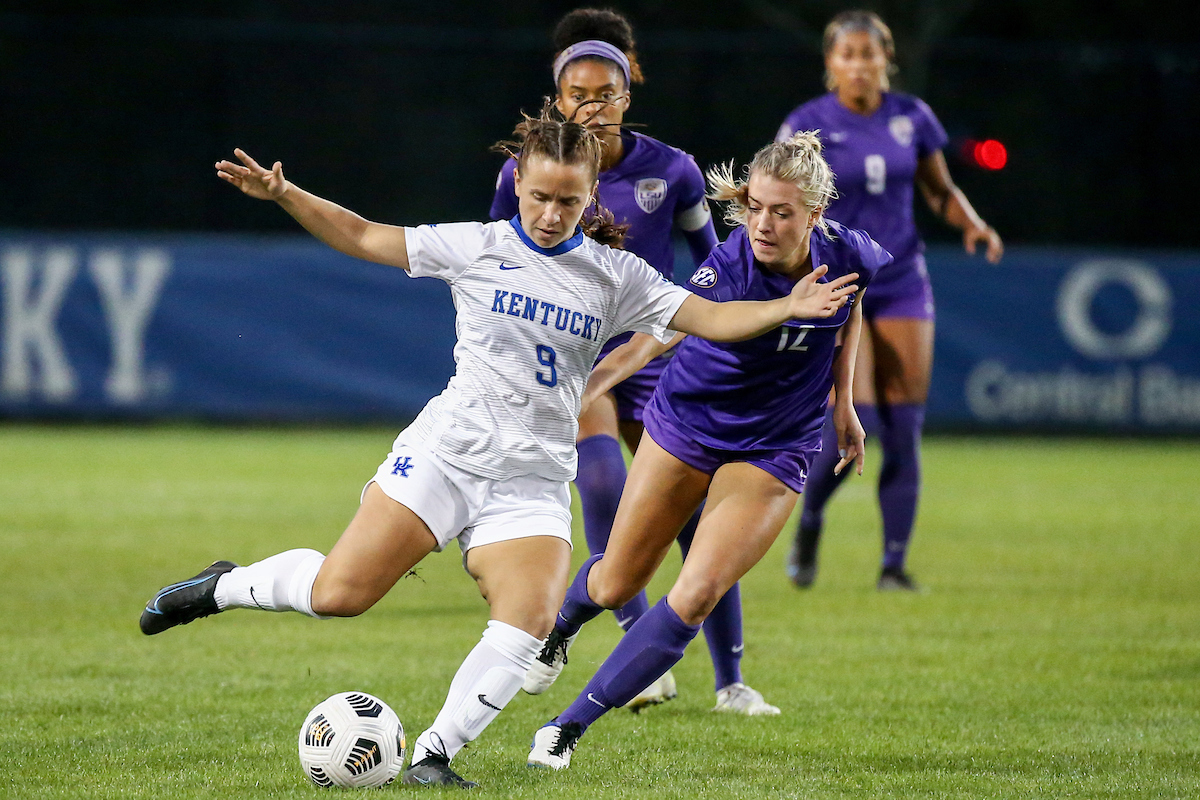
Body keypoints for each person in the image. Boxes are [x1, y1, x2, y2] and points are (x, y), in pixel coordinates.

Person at [138, 111, 860, 789]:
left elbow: (712, 317)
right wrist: (284, 192)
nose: (551, 214)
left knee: (529, 622)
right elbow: (364, 236)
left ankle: (432, 758)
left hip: (533, 478)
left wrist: (787, 307)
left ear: (589, 197)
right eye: (540, 196)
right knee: (340, 596)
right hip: (448, 454)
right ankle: (224, 584)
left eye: (569, 202)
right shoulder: (476, 246)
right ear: (518, 183)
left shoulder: (616, 277)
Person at [524, 133, 890, 770]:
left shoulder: (849, 253)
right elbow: (652, 339)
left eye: (782, 212)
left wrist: (844, 402)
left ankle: (565, 728)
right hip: (688, 424)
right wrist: (589, 385)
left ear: (815, 216)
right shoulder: (727, 267)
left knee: (695, 595)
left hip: (777, 444)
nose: (764, 223)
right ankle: (560, 628)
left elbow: (851, 306)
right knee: (616, 582)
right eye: (756, 207)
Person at [491, 7, 774, 715]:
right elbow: (496, 264)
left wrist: (714, 328)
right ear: (558, 99)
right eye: (578, 94)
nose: (592, 106)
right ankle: (635, 655)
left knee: (693, 514)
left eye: (605, 94)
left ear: (626, 97)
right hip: (574, 353)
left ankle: (732, 681)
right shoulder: (526, 172)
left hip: (657, 353)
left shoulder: (671, 172)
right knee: (604, 488)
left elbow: (714, 266)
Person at [777, 10, 1004, 592]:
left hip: (902, 277)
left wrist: (973, 223)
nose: (859, 64)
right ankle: (811, 516)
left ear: (887, 60)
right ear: (830, 64)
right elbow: (780, 201)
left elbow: (939, 189)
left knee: (904, 425)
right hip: (837, 281)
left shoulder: (911, 116)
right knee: (863, 419)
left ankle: (893, 567)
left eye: (868, 54)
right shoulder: (806, 124)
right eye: (847, 54)